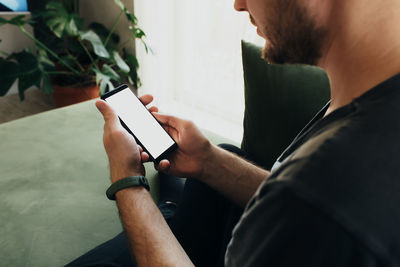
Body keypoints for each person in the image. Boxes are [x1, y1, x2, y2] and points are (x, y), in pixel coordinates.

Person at [67, 0, 400, 266]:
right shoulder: (371, 92)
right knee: (224, 157)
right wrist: (209, 162)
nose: (238, 5)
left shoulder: (317, 199)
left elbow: (307, 207)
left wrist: (127, 181)